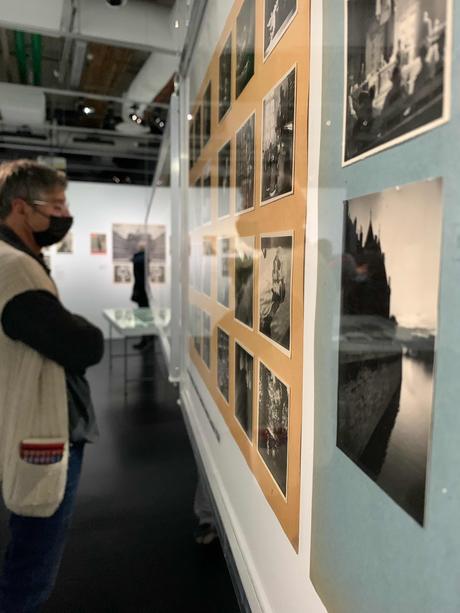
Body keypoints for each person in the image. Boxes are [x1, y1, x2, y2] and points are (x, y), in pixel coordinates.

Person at [0, 159, 104, 612]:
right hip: (40, 426)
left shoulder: (19, 262)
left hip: (28, 415)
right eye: (55, 205)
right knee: (34, 560)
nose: (63, 214)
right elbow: (81, 344)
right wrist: (83, 330)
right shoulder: (14, 268)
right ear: (21, 209)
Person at [131, 242, 153, 350]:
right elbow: (147, 274)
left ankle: (146, 340)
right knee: (145, 315)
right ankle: (148, 338)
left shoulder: (139, 259)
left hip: (141, 290)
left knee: (143, 315)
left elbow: (140, 276)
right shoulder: (144, 259)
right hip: (143, 289)